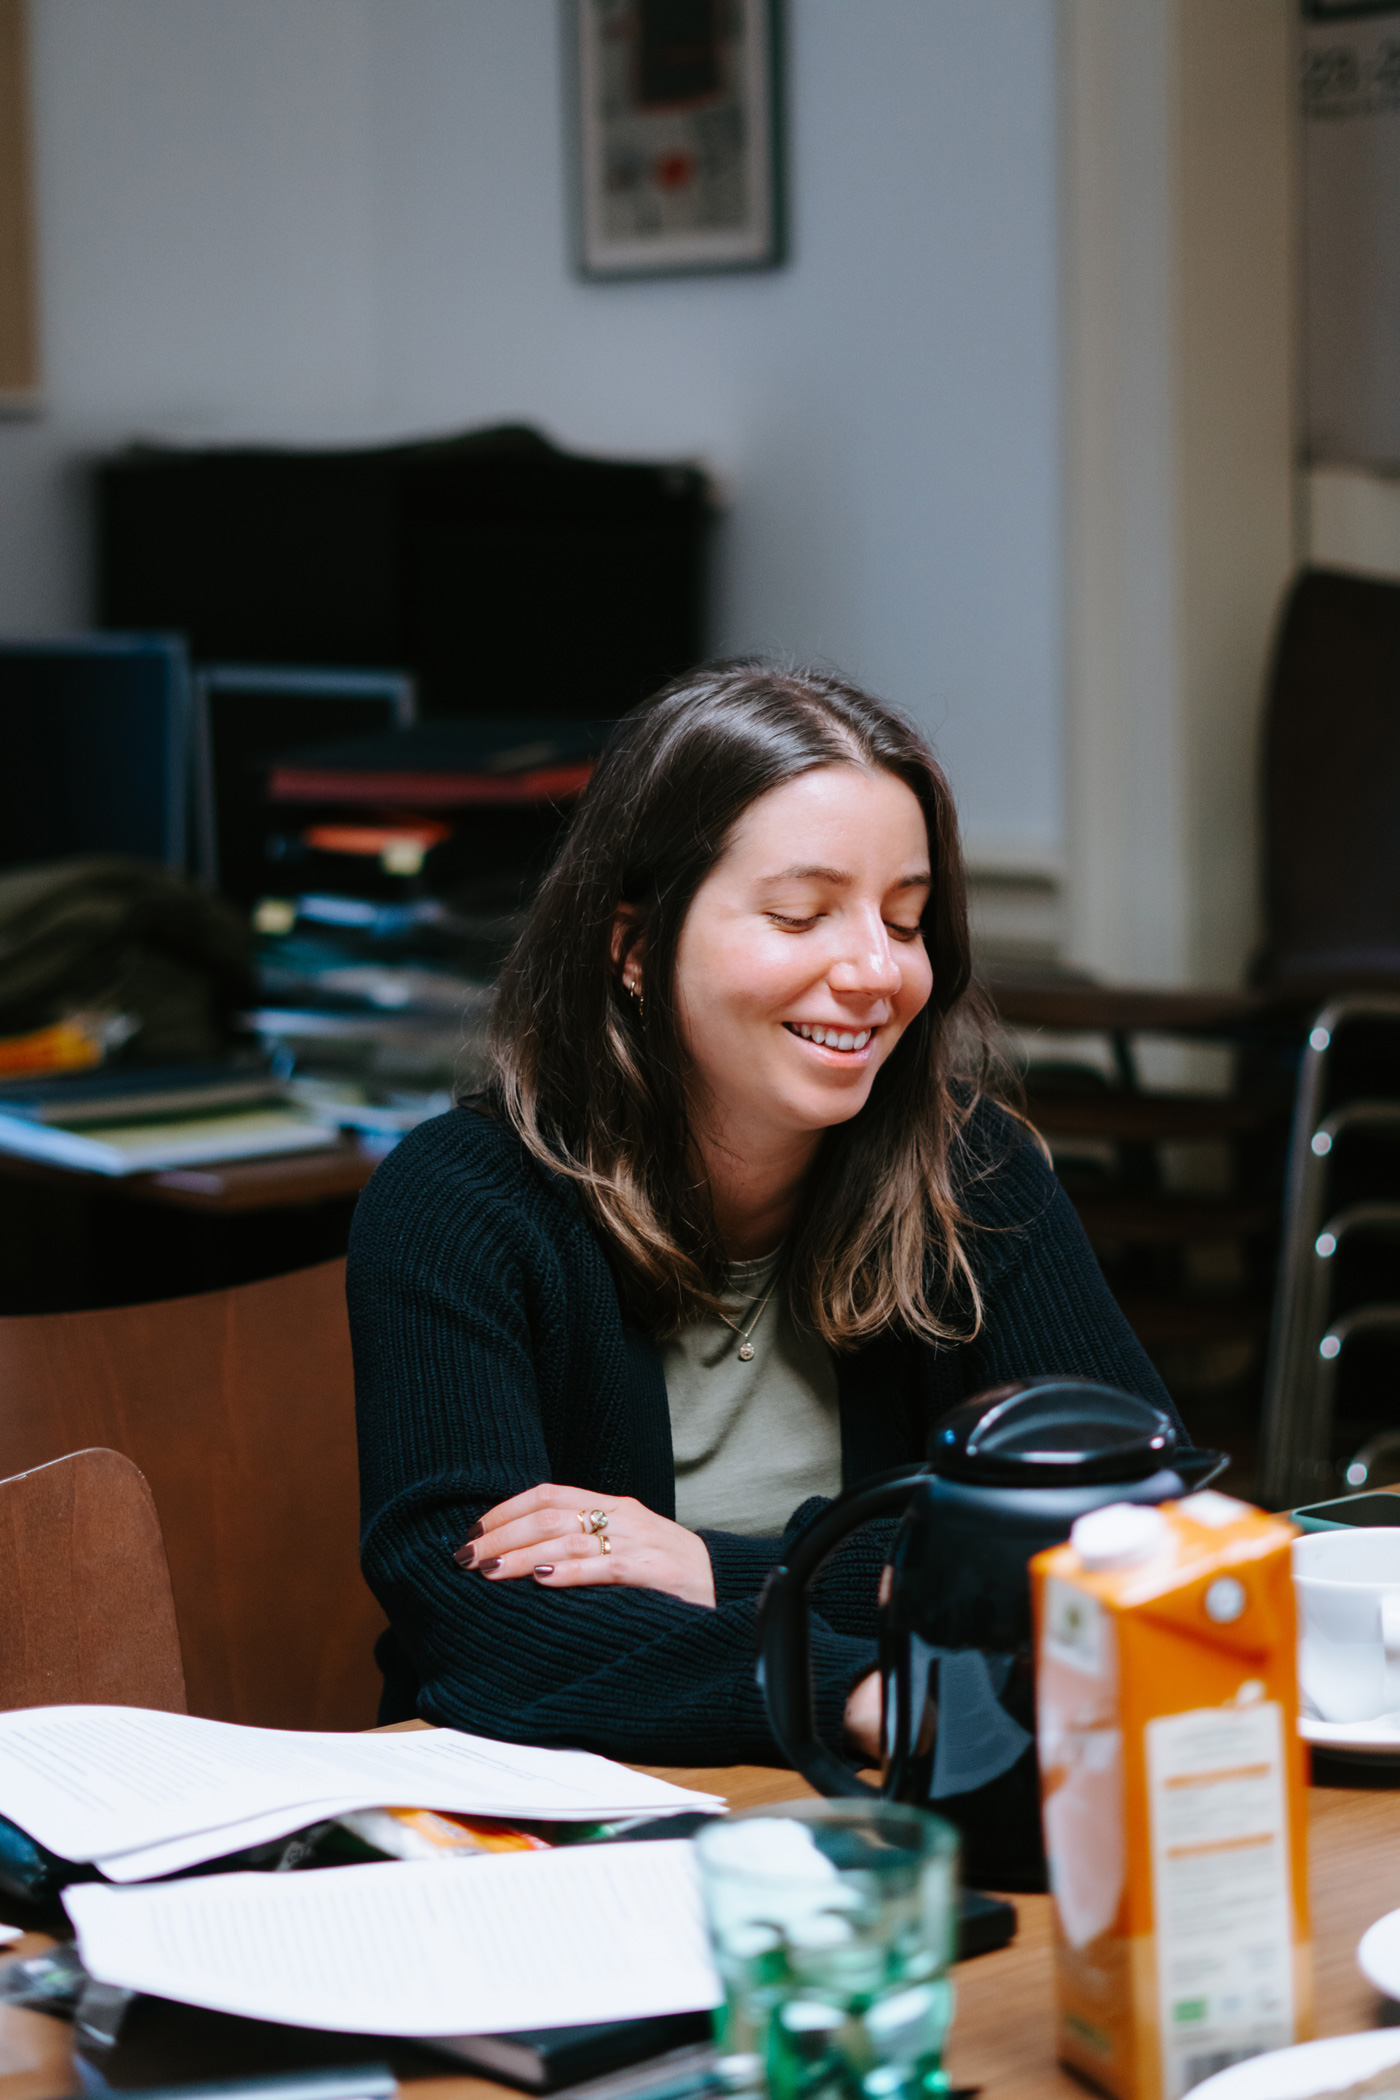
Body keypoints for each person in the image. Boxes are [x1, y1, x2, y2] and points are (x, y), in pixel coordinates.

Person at [348, 663, 1177, 1766]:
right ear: (634, 946)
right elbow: (491, 1635)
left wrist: (714, 1569)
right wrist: (870, 1690)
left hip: (885, 1799)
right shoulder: (457, 1203)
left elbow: (1134, 1538)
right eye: (799, 915)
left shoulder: (970, 1172)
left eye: (905, 918)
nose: (875, 972)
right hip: (561, 1828)